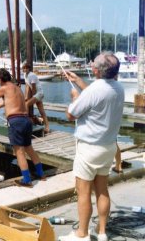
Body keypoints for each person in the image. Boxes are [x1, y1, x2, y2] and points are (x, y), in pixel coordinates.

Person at [60, 52, 124, 241]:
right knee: (102, 189)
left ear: (96, 70)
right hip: (108, 147)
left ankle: (82, 234)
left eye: (93, 65)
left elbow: (71, 115)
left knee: (84, 192)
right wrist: (79, 82)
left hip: (89, 148)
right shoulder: (118, 87)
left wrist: (74, 97)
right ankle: (102, 232)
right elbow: (97, 96)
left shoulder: (95, 89)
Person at [0, 68, 46, 187]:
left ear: (0, 79)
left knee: (19, 151)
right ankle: (41, 174)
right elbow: (1, 104)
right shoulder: (17, 89)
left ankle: (27, 180)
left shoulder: (3, 88)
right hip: (26, 120)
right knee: (29, 148)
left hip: (16, 121)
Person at [22, 63, 50, 133]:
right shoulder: (25, 75)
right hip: (36, 94)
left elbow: (33, 88)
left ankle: (26, 124)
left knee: (26, 104)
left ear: (29, 69)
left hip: (39, 93)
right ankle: (47, 127)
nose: (25, 69)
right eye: (24, 68)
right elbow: (27, 86)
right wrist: (26, 97)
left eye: (26, 68)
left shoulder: (32, 75)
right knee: (41, 111)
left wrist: (31, 99)